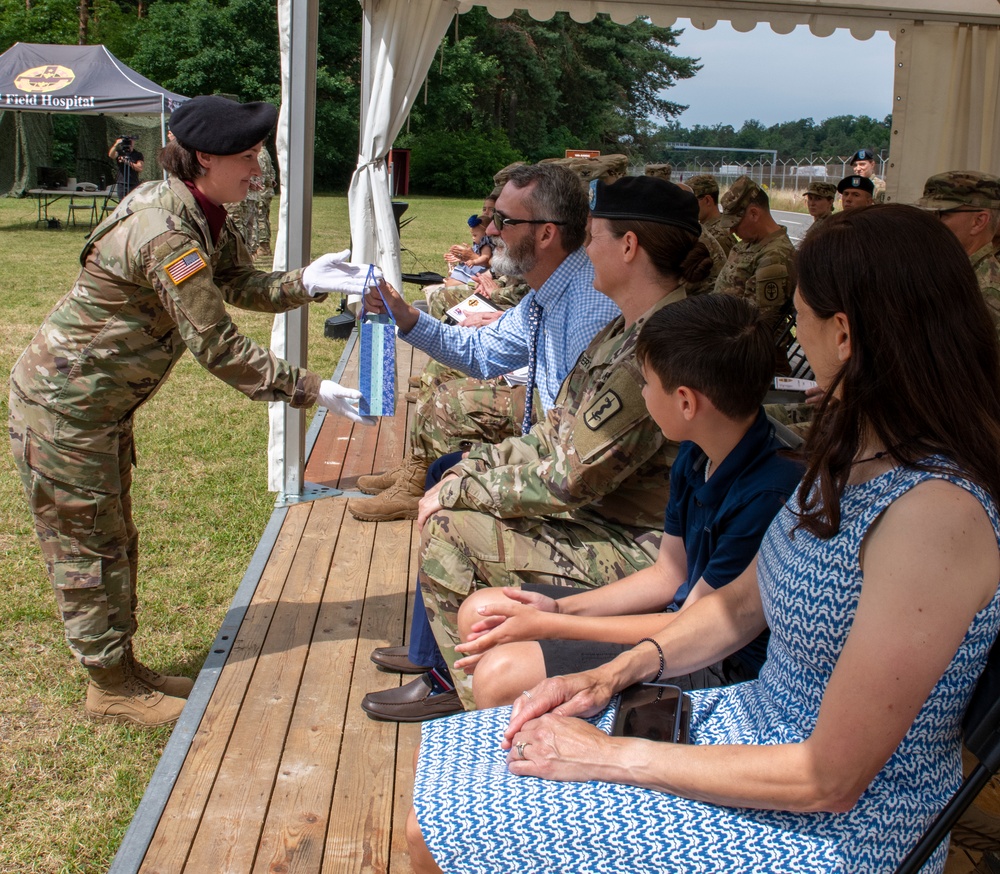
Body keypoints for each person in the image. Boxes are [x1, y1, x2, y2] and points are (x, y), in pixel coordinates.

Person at [406, 204, 1000, 873]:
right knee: (465, 774)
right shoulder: (853, 455)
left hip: (839, 831)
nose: (792, 333)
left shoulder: (935, 515)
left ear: (843, 334)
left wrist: (613, 757)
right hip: (758, 736)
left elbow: (830, 779)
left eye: (799, 314)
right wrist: (609, 675)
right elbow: (735, 608)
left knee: (440, 829)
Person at [8, 95, 373, 728]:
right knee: (88, 544)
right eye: (248, 157)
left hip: (94, 408)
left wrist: (305, 282)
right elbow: (217, 345)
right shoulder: (167, 229)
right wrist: (312, 389)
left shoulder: (197, 208)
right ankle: (110, 689)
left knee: (112, 535)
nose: (258, 171)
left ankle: (121, 668)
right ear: (204, 157)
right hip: (66, 410)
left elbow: (236, 281)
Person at [360, 176, 713, 721]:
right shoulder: (626, 328)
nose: (584, 247)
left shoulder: (655, 344)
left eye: (594, 236)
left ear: (628, 247)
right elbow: (555, 432)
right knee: (451, 500)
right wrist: (467, 473)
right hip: (607, 520)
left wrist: (463, 485)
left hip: (635, 544)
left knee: (452, 525)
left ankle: (482, 704)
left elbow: (573, 475)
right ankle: (479, 683)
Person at [451, 293, 804, 708]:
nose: (641, 391)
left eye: (646, 382)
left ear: (686, 402)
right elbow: (667, 576)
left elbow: (690, 627)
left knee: (500, 675)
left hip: (717, 664)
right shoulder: (698, 450)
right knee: (483, 610)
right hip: (678, 623)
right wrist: (555, 612)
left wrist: (554, 621)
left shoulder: (767, 494)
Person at [346, 163, 619, 522]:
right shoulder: (549, 294)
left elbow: (582, 459)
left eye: (504, 221)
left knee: (448, 519)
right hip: (556, 462)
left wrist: (478, 482)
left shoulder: (589, 312)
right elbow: (479, 352)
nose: (490, 230)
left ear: (546, 234)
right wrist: (406, 316)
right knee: (443, 476)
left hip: (588, 502)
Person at [715, 175, 797, 371]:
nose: (731, 231)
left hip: (752, 359)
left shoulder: (776, 255)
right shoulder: (749, 244)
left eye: (735, 224)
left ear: (753, 213)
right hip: (729, 345)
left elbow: (757, 320)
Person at [917, 170, 1000, 336]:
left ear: (978, 222)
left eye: (941, 214)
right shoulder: (952, 271)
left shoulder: (987, 291)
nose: (929, 223)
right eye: (927, 214)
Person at [443, 214, 493, 286]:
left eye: (475, 235)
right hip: (473, 267)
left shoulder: (486, 246)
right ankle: (453, 275)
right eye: (472, 235)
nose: (473, 238)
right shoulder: (479, 244)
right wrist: (462, 256)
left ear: (485, 233)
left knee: (451, 284)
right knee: (450, 282)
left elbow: (485, 257)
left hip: (477, 270)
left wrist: (474, 261)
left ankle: (455, 277)